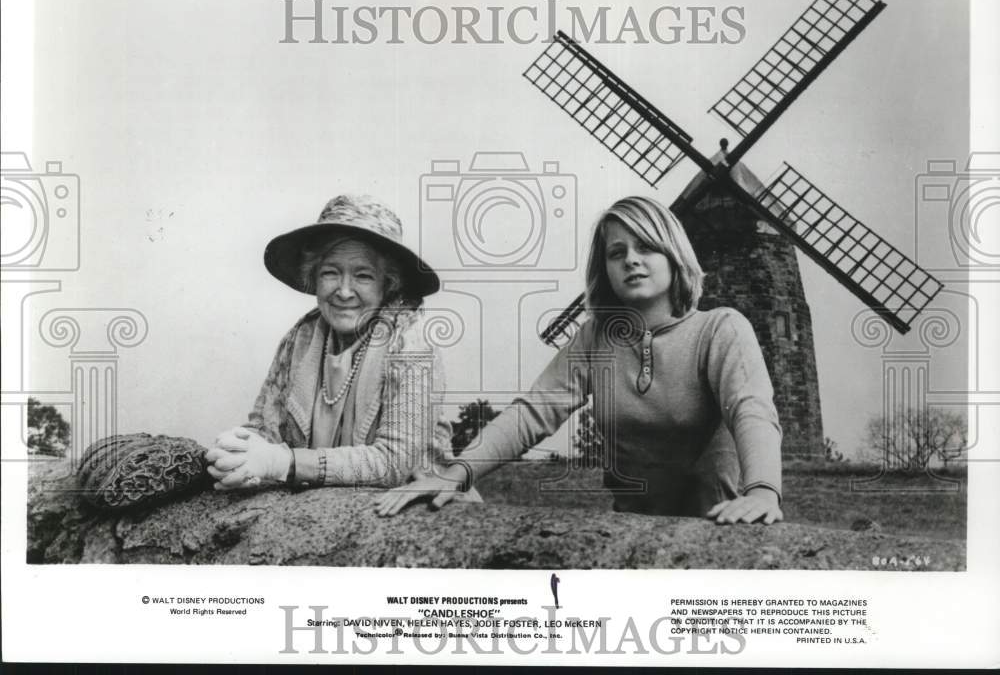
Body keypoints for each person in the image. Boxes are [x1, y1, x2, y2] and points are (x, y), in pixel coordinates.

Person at [376, 195, 783, 525]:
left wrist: (763, 489)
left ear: (674, 255)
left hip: (716, 525)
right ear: (604, 270)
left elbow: (751, 408)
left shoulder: (720, 329)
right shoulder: (595, 338)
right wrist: (457, 473)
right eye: (617, 252)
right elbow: (534, 412)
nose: (631, 260)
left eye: (646, 246)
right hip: (634, 526)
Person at [206, 194, 456, 491]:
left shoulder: (412, 342)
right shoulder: (300, 339)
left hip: (415, 515)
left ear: (387, 283)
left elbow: (394, 464)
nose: (344, 291)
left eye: (363, 275)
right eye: (330, 273)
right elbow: (265, 429)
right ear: (314, 276)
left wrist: (285, 463)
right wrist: (237, 452)